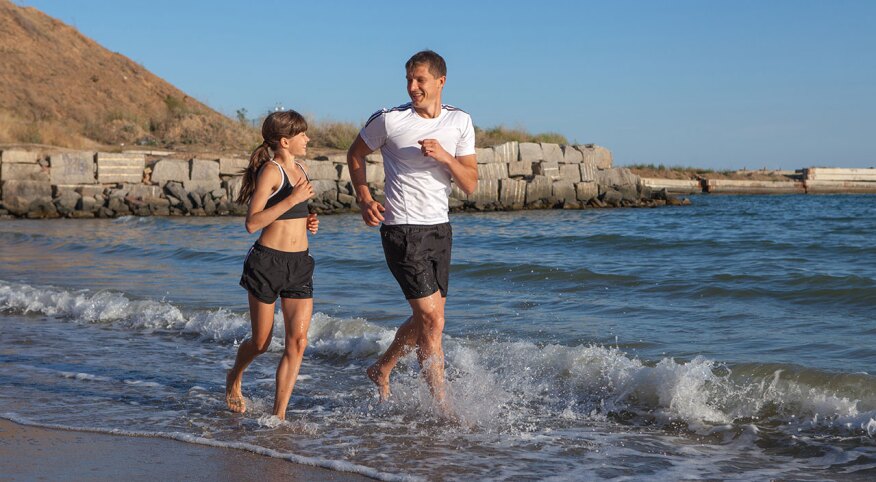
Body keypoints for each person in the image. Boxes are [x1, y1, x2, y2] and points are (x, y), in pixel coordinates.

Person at [346, 50, 478, 406]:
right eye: (408, 79)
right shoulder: (389, 120)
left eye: (419, 79)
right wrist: (363, 197)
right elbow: (354, 154)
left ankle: (382, 368)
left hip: (440, 230)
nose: (412, 86)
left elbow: (470, 184)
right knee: (433, 321)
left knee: (429, 320)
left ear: (440, 81)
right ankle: (443, 409)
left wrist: (446, 157)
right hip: (401, 229)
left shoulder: (460, 122)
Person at [225, 110, 320, 420]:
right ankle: (234, 376)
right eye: (301, 134)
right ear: (285, 141)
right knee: (262, 342)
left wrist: (308, 221)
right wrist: (292, 201)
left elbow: (292, 214)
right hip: (267, 263)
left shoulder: (302, 169)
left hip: (299, 264)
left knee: (298, 341)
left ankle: (279, 416)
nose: (307, 139)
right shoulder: (271, 171)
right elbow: (252, 223)